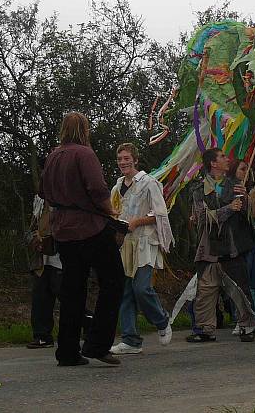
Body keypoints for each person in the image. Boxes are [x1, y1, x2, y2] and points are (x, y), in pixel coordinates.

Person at [39, 111, 125, 366]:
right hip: (89, 227)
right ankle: (97, 344)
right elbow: (97, 188)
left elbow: (43, 191)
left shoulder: (53, 155)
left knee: (72, 289)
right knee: (114, 280)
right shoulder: (85, 154)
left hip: (63, 230)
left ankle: (67, 351)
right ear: (85, 130)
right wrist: (110, 210)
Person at [108, 143, 174, 355]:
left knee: (141, 288)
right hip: (125, 244)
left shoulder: (149, 183)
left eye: (127, 158)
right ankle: (130, 339)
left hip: (145, 242)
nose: (123, 163)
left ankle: (162, 320)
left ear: (135, 159)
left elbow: (160, 213)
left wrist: (138, 221)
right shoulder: (117, 187)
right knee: (125, 291)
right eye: (120, 159)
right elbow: (114, 212)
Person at [188, 151, 255, 343]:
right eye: (222, 157)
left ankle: (247, 326)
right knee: (206, 289)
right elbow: (202, 218)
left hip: (232, 246)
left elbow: (248, 217)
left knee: (240, 288)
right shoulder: (198, 189)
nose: (228, 159)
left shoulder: (237, 186)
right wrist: (228, 208)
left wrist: (246, 202)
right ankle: (205, 329)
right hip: (209, 248)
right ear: (213, 163)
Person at [26, 197, 62, 349]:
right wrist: (35, 239)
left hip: (61, 257)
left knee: (66, 294)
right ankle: (42, 336)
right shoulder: (39, 199)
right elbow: (33, 224)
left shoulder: (63, 195)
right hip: (42, 259)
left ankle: (89, 323)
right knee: (40, 296)